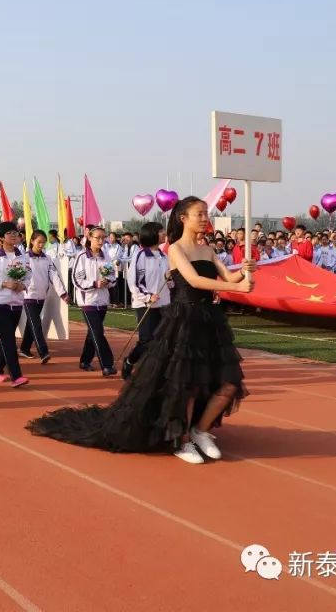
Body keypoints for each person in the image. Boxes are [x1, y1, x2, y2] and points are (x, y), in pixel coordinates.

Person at [27, 196, 255, 465]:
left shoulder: (208, 250)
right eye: (200, 214)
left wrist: (245, 271)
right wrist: (237, 288)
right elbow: (194, 280)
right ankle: (181, 440)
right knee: (187, 384)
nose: (205, 218)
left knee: (227, 384)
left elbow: (227, 277)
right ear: (183, 218)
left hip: (210, 322)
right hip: (184, 319)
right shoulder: (175, 250)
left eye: (206, 214)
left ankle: (200, 430)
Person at [0, 222, 33, 387]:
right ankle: (16, 375)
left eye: (15, 232)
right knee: (9, 339)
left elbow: (28, 275)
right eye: (9, 233)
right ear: (1, 238)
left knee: (5, 339)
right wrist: (4, 284)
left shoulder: (23, 256)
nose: (13, 235)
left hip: (16, 302)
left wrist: (23, 285)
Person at [121, 222, 171, 380]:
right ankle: (129, 361)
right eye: (161, 231)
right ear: (153, 234)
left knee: (161, 340)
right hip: (146, 304)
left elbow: (168, 282)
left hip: (163, 303)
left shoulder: (164, 256)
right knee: (147, 340)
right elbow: (134, 280)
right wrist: (148, 296)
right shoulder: (141, 255)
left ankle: (154, 372)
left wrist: (170, 279)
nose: (164, 234)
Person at [72, 227, 118, 376]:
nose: (101, 240)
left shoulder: (107, 257)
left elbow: (113, 277)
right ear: (89, 238)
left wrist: (108, 282)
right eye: (97, 237)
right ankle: (107, 364)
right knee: (98, 332)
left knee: (93, 333)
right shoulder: (82, 257)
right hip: (88, 301)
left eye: (103, 237)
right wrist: (94, 284)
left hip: (102, 300)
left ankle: (85, 360)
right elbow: (77, 280)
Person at [19, 230, 69, 364]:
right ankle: (43, 352)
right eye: (39, 242)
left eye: (43, 243)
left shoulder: (47, 259)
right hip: (28, 296)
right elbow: (18, 275)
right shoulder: (24, 258)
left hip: (41, 296)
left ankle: (24, 348)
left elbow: (54, 276)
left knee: (32, 324)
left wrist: (63, 293)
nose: (41, 245)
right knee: (36, 324)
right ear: (32, 241)